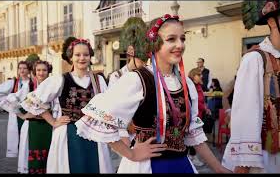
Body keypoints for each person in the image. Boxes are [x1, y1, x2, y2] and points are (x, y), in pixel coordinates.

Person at [74, 14, 231, 173]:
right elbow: (98, 117)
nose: (180, 45)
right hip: (147, 166)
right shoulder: (138, 80)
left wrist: (219, 169)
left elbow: (194, 134)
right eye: (171, 39)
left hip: (181, 164)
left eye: (182, 39)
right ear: (155, 43)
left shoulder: (186, 83)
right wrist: (131, 153)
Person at [21, 38, 113, 173]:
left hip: (94, 134)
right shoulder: (60, 79)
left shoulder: (98, 80)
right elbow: (33, 101)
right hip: (68, 133)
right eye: (77, 55)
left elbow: (107, 107)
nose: (82, 58)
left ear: (90, 56)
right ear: (71, 57)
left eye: (86, 54)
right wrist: (53, 121)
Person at [222, 0, 280, 173]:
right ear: (272, 21)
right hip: (262, 158)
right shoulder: (254, 59)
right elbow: (245, 116)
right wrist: (243, 166)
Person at [0, 60, 53, 173]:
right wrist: (22, 115)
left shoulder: (53, 86)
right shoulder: (31, 86)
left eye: (44, 70)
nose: (41, 73)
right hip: (33, 126)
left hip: (48, 126)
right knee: (33, 157)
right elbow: (12, 100)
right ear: (34, 72)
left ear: (48, 72)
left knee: (50, 156)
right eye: (38, 70)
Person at [107, 17, 149, 156]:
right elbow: (113, 110)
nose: (145, 62)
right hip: (125, 132)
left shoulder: (149, 74)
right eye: (142, 58)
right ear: (131, 53)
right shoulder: (116, 76)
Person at [0, 61, 34, 158]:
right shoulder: (14, 82)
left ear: (29, 70)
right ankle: (20, 154)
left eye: (24, 68)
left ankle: (27, 152)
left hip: (29, 111)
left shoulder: (32, 82)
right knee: (16, 133)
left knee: (27, 133)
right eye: (20, 68)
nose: (22, 70)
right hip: (16, 112)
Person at [188, 68, 212, 167]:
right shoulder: (191, 86)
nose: (201, 76)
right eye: (199, 74)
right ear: (194, 76)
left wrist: (205, 108)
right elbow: (195, 102)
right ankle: (192, 157)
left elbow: (201, 100)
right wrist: (205, 108)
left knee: (194, 137)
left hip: (199, 115)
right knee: (194, 137)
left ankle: (191, 156)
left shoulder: (198, 86)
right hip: (194, 117)